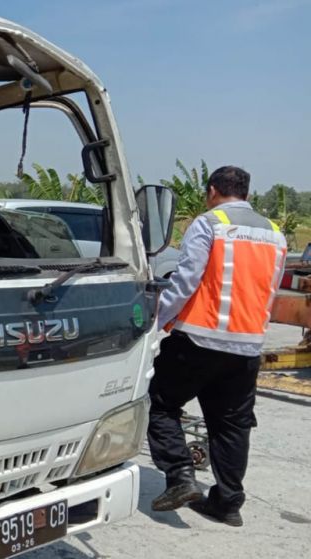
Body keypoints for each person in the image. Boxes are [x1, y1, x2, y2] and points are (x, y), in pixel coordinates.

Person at [148, 165, 287, 527]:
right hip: (246, 348)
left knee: (162, 404)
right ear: (246, 192)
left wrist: (159, 317)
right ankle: (227, 503)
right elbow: (267, 290)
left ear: (212, 191)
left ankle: (180, 476)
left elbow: (186, 278)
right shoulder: (275, 233)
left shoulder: (210, 223)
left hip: (198, 339)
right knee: (231, 426)